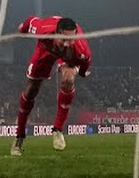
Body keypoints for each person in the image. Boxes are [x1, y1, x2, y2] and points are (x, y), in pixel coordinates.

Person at [10, 16, 91, 156]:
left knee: (68, 79)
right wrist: (23, 29)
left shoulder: (80, 49)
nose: (67, 43)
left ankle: (57, 129)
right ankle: (19, 136)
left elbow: (86, 63)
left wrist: (82, 73)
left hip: (67, 57)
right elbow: (31, 21)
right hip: (45, 50)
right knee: (31, 91)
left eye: (71, 39)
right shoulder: (43, 30)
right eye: (63, 39)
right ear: (56, 34)